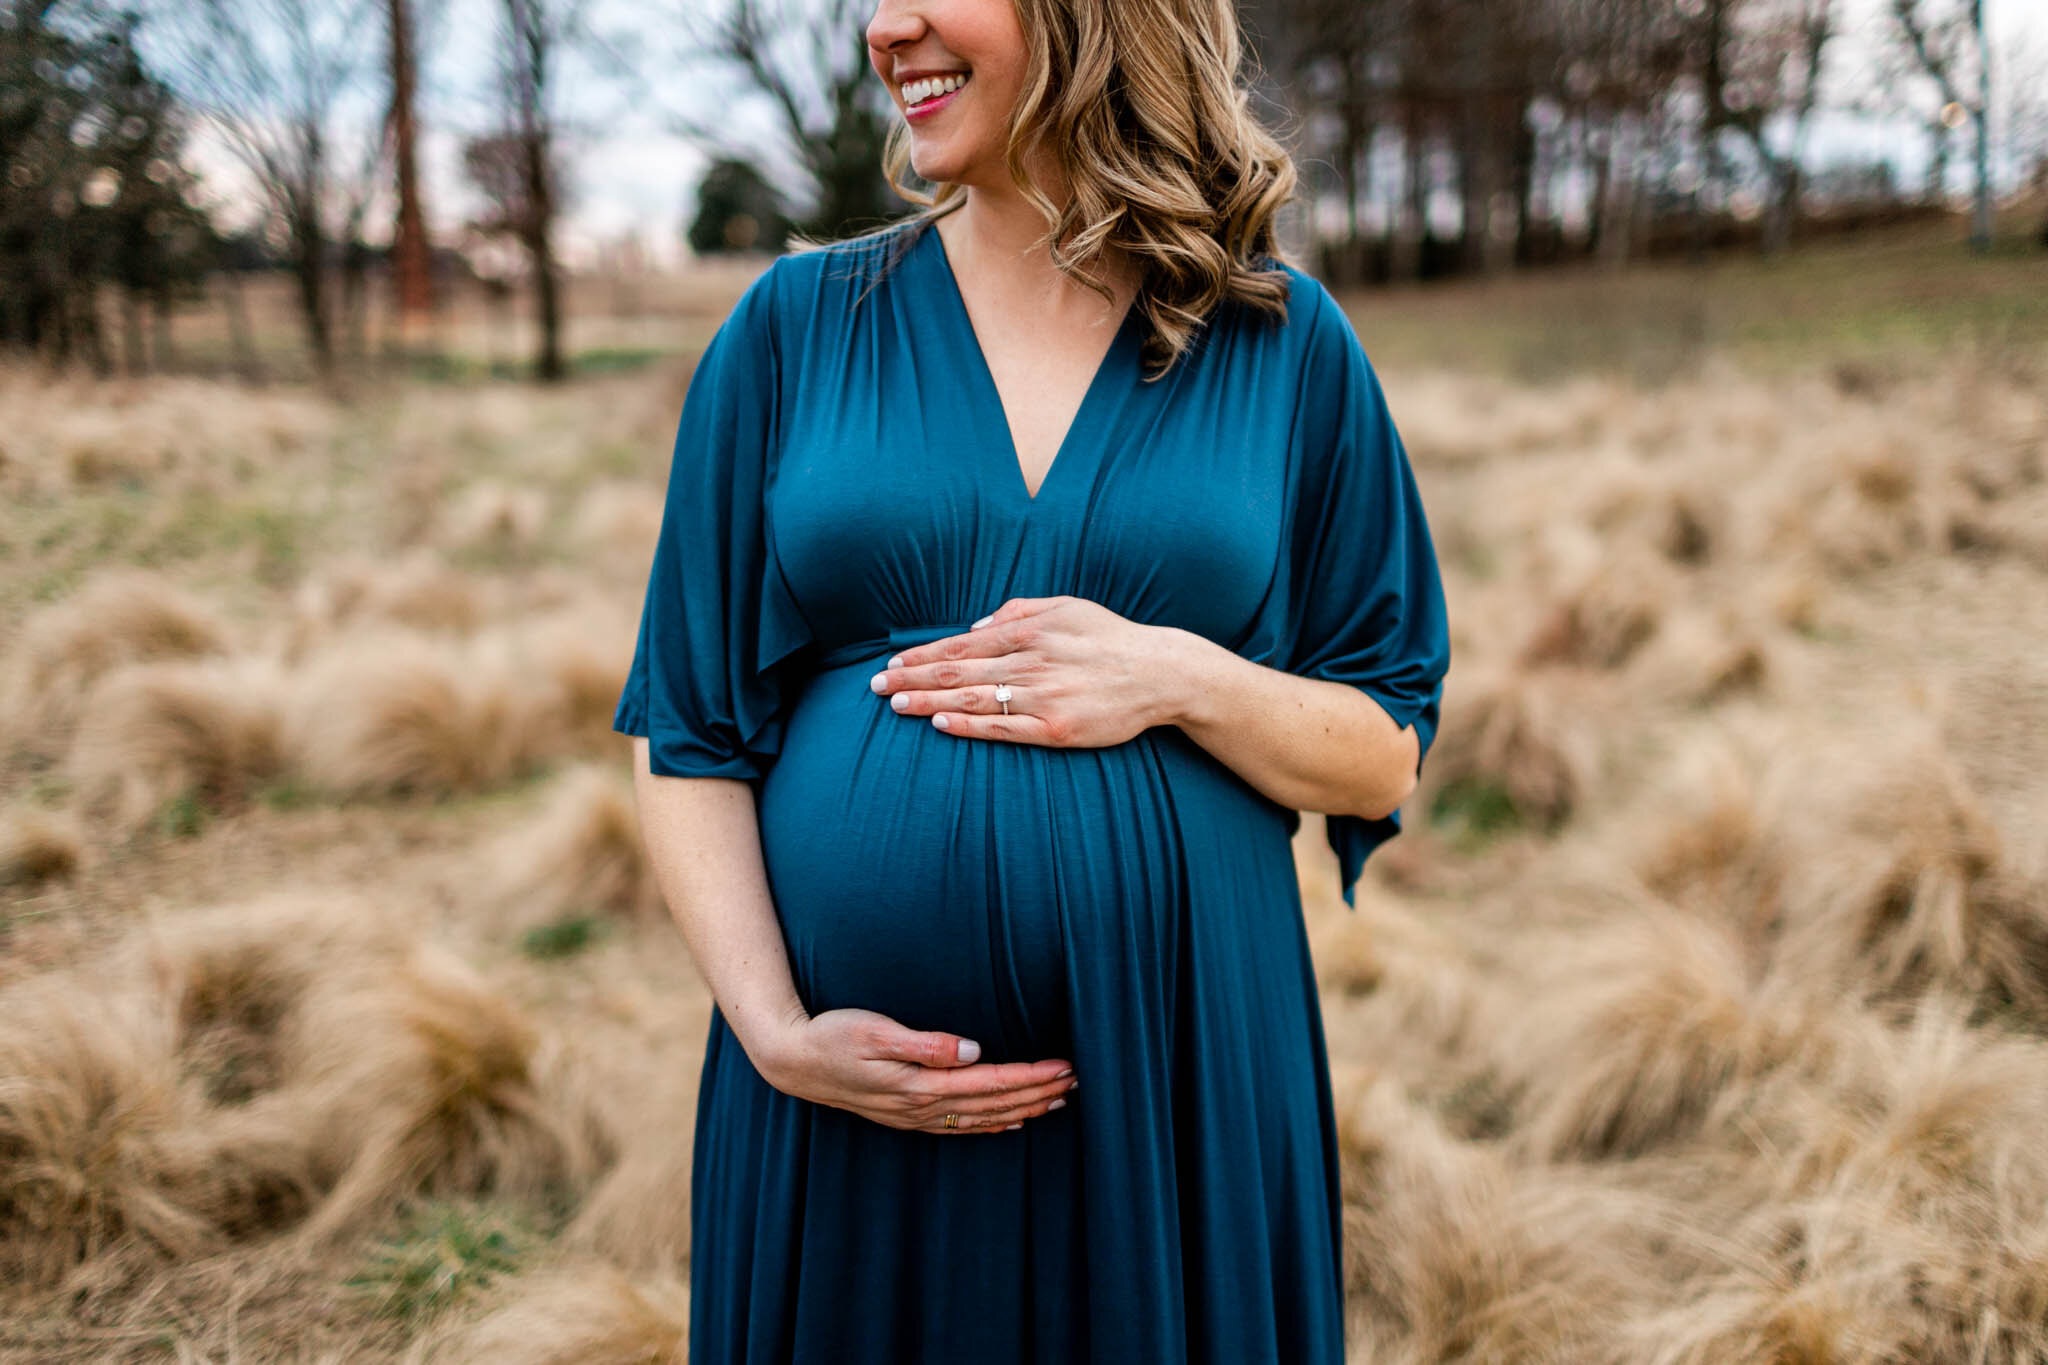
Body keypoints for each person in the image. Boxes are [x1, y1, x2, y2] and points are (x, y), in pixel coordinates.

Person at [612, 0, 1451, 1358]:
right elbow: (688, 727)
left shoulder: (1285, 345)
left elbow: (1383, 747)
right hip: (844, 1107)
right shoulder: (792, 331)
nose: (888, 27)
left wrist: (1181, 676)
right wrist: (773, 1030)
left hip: (1174, 1087)